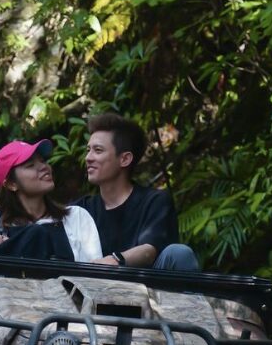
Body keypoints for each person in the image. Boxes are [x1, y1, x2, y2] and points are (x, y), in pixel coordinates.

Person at [0, 139, 102, 262]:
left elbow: (92, 275)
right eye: (30, 165)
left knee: (36, 234)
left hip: (60, 300)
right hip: (2, 299)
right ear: (11, 183)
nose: (44, 167)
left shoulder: (76, 216)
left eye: (43, 161)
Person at [73, 113, 199, 270]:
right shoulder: (80, 210)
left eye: (98, 150)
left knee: (179, 254)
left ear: (125, 159)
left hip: (150, 288)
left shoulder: (154, 201)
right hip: (93, 289)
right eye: (88, 150)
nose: (88, 158)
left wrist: (115, 260)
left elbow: (150, 250)